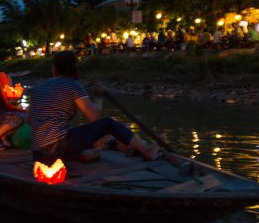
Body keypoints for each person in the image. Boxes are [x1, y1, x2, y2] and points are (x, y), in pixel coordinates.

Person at [29, 50, 161, 166]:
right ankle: (146, 150)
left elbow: (29, 120)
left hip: (38, 154)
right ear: (74, 68)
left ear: (54, 69)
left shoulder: (38, 88)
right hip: (57, 148)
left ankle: (88, 152)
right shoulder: (73, 85)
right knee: (108, 123)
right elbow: (94, 117)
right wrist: (98, 97)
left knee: (75, 134)